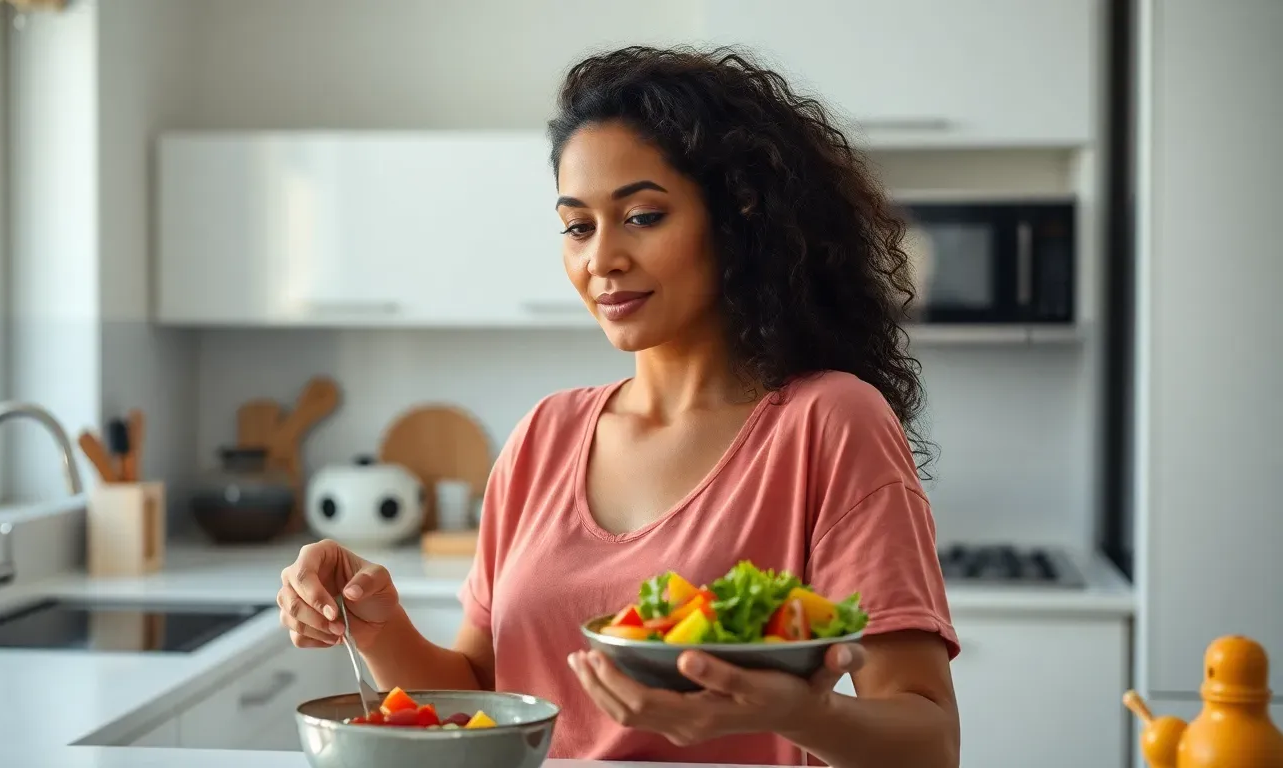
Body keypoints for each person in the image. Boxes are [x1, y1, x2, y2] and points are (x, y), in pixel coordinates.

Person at [277, 44, 960, 767]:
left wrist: (801, 714)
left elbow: (928, 743)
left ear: (738, 217)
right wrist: (378, 628)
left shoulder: (827, 422)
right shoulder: (546, 434)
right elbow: (487, 698)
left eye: (641, 216)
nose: (601, 258)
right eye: (578, 226)